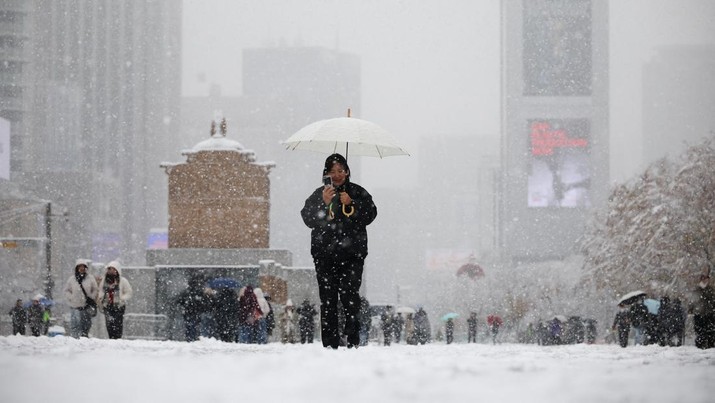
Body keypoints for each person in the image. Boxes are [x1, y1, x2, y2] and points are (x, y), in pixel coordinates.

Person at [300, 153, 378, 349]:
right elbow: (308, 219)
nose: (337, 175)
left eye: (341, 171)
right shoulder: (319, 194)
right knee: (328, 300)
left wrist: (351, 203)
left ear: (347, 172)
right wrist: (323, 204)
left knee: (350, 297)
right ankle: (330, 343)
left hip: (352, 256)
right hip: (324, 256)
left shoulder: (357, 192)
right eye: (332, 171)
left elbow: (370, 215)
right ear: (326, 173)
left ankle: (352, 340)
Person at [63, 259, 99, 338]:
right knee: (75, 324)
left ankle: (84, 338)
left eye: (83, 267)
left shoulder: (90, 278)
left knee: (85, 325)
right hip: (75, 306)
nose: (82, 268)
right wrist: (71, 297)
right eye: (80, 267)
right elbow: (66, 291)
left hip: (86, 306)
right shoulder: (72, 279)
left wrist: (91, 297)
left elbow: (95, 289)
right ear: (77, 268)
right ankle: (75, 339)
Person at [97, 261, 133, 339]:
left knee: (118, 324)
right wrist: (101, 297)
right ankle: (111, 339)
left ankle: (117, 339)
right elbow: (100, 290)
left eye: (114, 269)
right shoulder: (104, 280)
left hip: (119, 306)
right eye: (110, 269)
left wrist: (122, 298)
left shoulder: (122, 281)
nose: (112, 271)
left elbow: (129, 292)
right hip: (107, 305)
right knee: (109, 324)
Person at [176, 274, 210, 342]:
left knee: (189, 327)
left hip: (188, 313)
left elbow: (179, 301)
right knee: (194, 327)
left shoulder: (186, 292)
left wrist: (183, 306)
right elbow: (204, 303)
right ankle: (193, 338)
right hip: (196, 313)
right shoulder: (199, 293)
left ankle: (190, 339)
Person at [690, 273, 715, 349]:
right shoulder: (696, 290)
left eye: (707, 279)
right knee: (700, 333)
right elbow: (692, 301)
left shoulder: (711, 290)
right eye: (703, 279)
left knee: (711, 333)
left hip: (710, 314)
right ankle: (700, 348)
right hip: (699, 314)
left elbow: (713, 300)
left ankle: (710, 347)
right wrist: (690, 309)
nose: (705, 281)